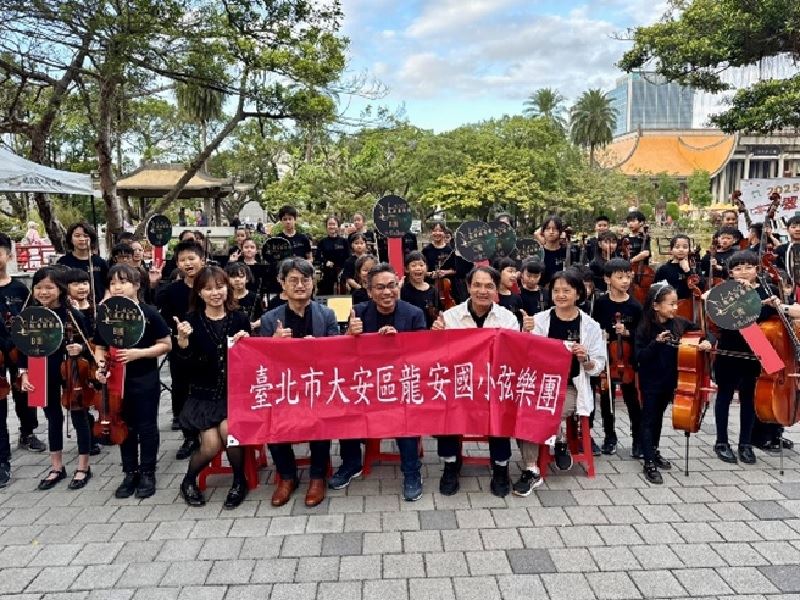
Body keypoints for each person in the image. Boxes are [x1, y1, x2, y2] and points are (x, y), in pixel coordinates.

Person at [335, 263, 427, 501]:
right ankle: (351, 463)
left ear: (398, 286)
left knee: (403, 411)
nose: (387, 292)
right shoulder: (358, 312)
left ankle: (411, 472)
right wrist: (349, 336)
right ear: (369, 291)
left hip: (401, 384)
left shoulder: (414, 314)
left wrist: (397, 345)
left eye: (391, 286)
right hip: (365, 383)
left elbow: (423, 357)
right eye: (380, 288)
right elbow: (342, 356)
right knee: (344, 404)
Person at [512, 269, 606, 496]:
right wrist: (526, 333)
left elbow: (598, 367)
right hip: (540, 384)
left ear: (578, 294)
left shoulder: (590, 326)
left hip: (571, 386)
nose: (561, 295)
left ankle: (559, 438)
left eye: (567, 290)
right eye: (556, 290)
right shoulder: (541, 320)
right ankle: (532, 468)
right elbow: (525, 356)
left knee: (544, 412)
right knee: (522, 409)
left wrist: (585, 359)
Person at [431, 266, 519, 497]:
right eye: (477, 285)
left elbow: (511, 357)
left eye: (489, 286)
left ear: (496, 290)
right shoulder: (450, 317)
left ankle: (501, 466)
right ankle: (451, 464)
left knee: (502, 404)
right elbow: (440, 357)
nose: (482, 291)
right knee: (444, 402)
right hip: (461, 384)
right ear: (468, 287)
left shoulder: (507, 318)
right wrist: (436, 336)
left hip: (493, 384)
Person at [260, 258, 336, 507]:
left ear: (313, 283)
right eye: (293, 280)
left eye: (305, 279)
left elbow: (340, 353)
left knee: (321, 414)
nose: (300, 285)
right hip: (285, 387)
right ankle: (287, 476)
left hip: (319, 386)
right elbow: (261, 360)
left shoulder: (326, 314)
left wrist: (323, 348)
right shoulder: (271, 319)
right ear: (282, 284)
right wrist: (273, 342)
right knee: (271, 415)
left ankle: (317, 477)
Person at [174, 266, 251, 508]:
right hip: (202, 396)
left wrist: (248, 342)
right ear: (199, 293)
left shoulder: (240, 318)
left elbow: (250, 362)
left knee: (230, 433)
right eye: (208, 289)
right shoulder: (190, 322)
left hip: (234, 395)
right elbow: (183, 370)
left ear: (228, 288)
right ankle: (187, 481)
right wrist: (183, 344)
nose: (215, 293)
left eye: (219, 287)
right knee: (210, 445)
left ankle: (240, 481)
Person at [92, 264, 171, 499]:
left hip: (144, 378)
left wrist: (140, 353)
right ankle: (129, 472)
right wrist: (100, 365)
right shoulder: (106, 314)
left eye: (123, 282)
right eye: (113, 283)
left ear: (136, 285)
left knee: (146, 426)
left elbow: (166, 344)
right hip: (116, 380)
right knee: (122, 424)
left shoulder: (149, 313)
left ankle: (148, 471)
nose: (117, 287)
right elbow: (99, 347)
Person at [18, 267, 94, 490]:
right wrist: (24, 373)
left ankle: (83, 466)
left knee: (79, 417)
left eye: (49, 287)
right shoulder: (30, 315)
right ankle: (56, 466)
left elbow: (91, 344)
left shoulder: (72, 314)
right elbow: (23, 347)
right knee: (52, 418)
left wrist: (78, 347)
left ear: (60, 289)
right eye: (39, 287)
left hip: (71, 370)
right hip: (42, 368)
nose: (43, 292)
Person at [711, 250, 782, 464]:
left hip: (757, 346)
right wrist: (759, 305)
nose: (744, 272)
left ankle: (746, 443)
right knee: (724, 394)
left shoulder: (766, 290)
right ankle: (721, 441)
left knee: (749, 397)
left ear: (756, 270)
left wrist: (777, 304)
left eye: (749, 267)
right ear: (731, 273)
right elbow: (726, 317)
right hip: (730, 346)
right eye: (738, 268)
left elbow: (773, 319)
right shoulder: (724, 291)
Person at [635, 282, 710, 483]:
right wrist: (656, 343)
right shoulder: (645, 327)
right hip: (651, 380)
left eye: (676, 304)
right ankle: (648, 461)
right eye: (671, 304)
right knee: (649, 419)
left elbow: (701, 331)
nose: (675, 308)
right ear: (656, 305)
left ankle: (654, 450)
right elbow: (639, 356)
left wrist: (705, 342)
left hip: (671, 379)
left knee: (659, 416)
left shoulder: (679, 323)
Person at [156, 240, 206, 458]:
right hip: (181, 347)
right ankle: (189, 437)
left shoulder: (212, 285)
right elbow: (164, 317)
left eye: (192, 258)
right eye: (183, 260)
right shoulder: (170, 291)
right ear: (177, 264)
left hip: (209, 346)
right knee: (181, 389)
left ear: (201, 260)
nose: (188, 263)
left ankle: (209, 434)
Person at [591, 258, 643, 457]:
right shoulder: (601, 303)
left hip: (628, 361)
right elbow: (593, 326)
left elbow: (642, 333)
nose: (625, 281)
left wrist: (628, 332)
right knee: (607, 400)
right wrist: (601, 335)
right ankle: (609, 437)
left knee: (633, 401)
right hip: (607, 359)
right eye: (619, 277)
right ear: (607, 279)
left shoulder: (635, 306)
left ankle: (637, 439)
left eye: (627, 277)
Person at [0, 233, 45, 454]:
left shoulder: (19, 289)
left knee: (25, 391)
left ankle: (28, 432)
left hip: (19, 348)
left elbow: (31, 318)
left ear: (8, 256)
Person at [57, 222, 109, 303]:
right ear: (70, 239)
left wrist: (105, 300)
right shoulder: (63, 262)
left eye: (86, 236)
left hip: (98, 306)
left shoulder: (100, 262)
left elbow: (108, 286)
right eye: (77, 236)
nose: (82, 239)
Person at [654, 234, 704, 300]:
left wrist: (687, 271)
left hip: (690, 306)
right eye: (677, 247)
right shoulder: (664, 269)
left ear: (689, 250)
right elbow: (656, 292)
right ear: (671, 250)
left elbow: (701, 287)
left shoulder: (694, 267)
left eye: (685, 247)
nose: (681, 250)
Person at [400, 250, 440, 329]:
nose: (418, 268)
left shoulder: (433, 291)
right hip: (410, 332)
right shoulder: (403, 290)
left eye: (421, 265)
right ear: (407, 269)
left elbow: (438, 312)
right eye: (414, 265)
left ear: (426, 268)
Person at [537, 215, 577, 287]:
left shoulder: (568, 252)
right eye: (548, 228)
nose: (551, 232)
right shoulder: (538, 252)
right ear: (543, 232)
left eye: (554, 229)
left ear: (560, 231)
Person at [315, 216, 349, 295]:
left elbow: (348, 257)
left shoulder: (344, 241)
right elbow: (317, 258)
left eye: (334, 224)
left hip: (342, 272)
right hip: (327, 273)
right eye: (329, 224)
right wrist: (326, 262)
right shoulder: (322, 242)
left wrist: (344, 269)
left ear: (338, 226)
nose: (332, 226)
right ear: (326, 226)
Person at [224, 262, 264, 331]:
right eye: (233, 277)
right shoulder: (225, 296)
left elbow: (260, 317)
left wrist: (255, 324)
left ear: (247, 278)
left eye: (241, 276)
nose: (237, 279)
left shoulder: (254, 297)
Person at [493, 257, 526, 328]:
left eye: (515, 272)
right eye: (510, 271)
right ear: (498, 272)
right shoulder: (490, 296)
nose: (514, 275)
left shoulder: (516, 298)